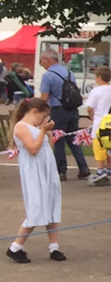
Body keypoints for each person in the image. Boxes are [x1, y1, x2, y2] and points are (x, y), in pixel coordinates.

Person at [8, 97, 65, 262]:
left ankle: (54, 247)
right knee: (36, 207)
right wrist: (42, 131)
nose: (43, 120)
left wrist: (47, 132)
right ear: (34, 112)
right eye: (43, 116)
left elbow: (47, 147)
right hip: (34, 171)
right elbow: (33, 149)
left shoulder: (36, 127)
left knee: (52, 203)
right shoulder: (21, 127)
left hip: (47, 169)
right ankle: (16, 247)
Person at [38, 49, 89, 181]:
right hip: (72, 110)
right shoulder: (68, 72)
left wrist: (40, 112)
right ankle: (83, 168)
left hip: (58, 110)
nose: (40, 62)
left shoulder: (48, 75)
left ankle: (61, 171)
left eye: (41, 59)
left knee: (58, 139)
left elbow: (44, 97)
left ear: (48, 59)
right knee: (73, 138)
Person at [85, 66, 111, 184]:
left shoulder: (96, 91)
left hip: (99, 123)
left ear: (99, 77)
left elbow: (90, 108)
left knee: (99, 148)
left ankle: (100, 169)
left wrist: (92, 117)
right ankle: (109, 168)